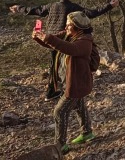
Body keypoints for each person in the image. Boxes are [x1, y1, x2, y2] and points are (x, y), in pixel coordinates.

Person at [9, 0, 117, 100]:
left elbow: (34, 10)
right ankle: (56, 91)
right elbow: (92, 13)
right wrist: (109, 6)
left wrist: (19, 8)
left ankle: (55, 90)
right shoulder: (72, 7)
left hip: (51, 38)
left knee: (55, 65)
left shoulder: (51, 6)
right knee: (65, 65)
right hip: (64, 39)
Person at [33, 12, 97, 154]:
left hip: (77, 83)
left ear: (77, 27)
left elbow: (69, 48)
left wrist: (48, 38)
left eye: (69, 24)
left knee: (59, 111)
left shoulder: (85, 42)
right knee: (79, 105)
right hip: (72, 81)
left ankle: (60, 144)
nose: (66, 26)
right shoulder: (70, 35)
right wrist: (39, 37)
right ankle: (87, 132)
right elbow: (55, 43)